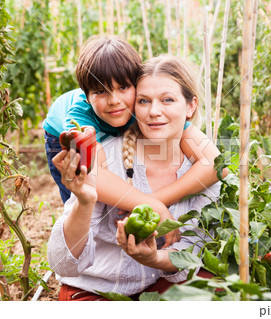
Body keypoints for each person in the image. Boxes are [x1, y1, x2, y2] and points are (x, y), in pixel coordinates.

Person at [47, 55, 220, 300]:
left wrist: (154, 257)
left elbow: (194, 249)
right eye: (144, 101)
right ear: (134, 106)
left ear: (191, 106)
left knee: (216, 291)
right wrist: (85, 201)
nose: (154, 111)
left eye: (168, 100)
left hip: (158, 282)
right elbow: (62, 265)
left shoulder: (200, 166)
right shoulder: (102, 151)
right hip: (97, 289)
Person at [44, 36, 226, 246]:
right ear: (87, 97)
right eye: (101, 91)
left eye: (123, 87)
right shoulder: (78, 118)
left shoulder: (146, 106)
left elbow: (216, 164)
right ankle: (86, 252)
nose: (114, 100)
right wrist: (149, 205)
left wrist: (155, 201)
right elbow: (96, 176)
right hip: (60, 137)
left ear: (137, 85)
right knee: (83, 200)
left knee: (121, 190)